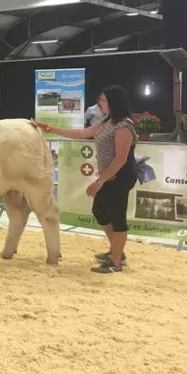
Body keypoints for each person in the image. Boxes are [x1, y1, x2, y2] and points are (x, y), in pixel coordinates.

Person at [33, 85, 137, 274]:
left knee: (117, 216)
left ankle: (116, 262)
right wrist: (52, 129)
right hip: (109, 176)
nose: (100, 103)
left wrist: (99, 182)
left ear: (114, 102)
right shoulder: (107, 121)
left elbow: (121, 158)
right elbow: (81, 133)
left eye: (104, 100)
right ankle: (117, 251)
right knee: (99, 210)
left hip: (120, 175)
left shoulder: (124, 125)